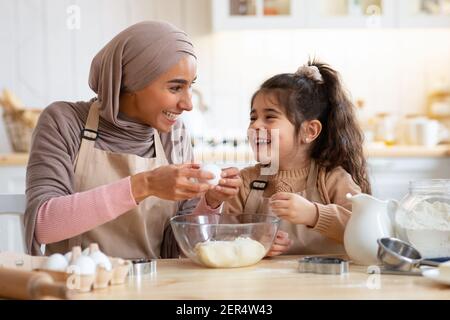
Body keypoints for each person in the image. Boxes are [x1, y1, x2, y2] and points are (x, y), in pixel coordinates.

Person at [24, 21, 241, 258]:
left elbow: (181, 247)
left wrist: (209, 203)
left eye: (190, 87)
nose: (188, 104)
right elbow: (43, 227)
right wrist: (145, 185)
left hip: (154, 287)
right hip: (79, 286)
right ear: (133, 82)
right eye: (175, 88)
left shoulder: (174, 135)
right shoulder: (64, 121)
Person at [224, 60, 371, 256]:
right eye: (253, 117)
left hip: (327, 284)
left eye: (269, 117)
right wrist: (253, 242)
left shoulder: (333, 179)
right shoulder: (244, 182)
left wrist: (314, 214)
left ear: (309, 131)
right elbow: (222, 237)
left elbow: (363, 229)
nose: (255, 126)